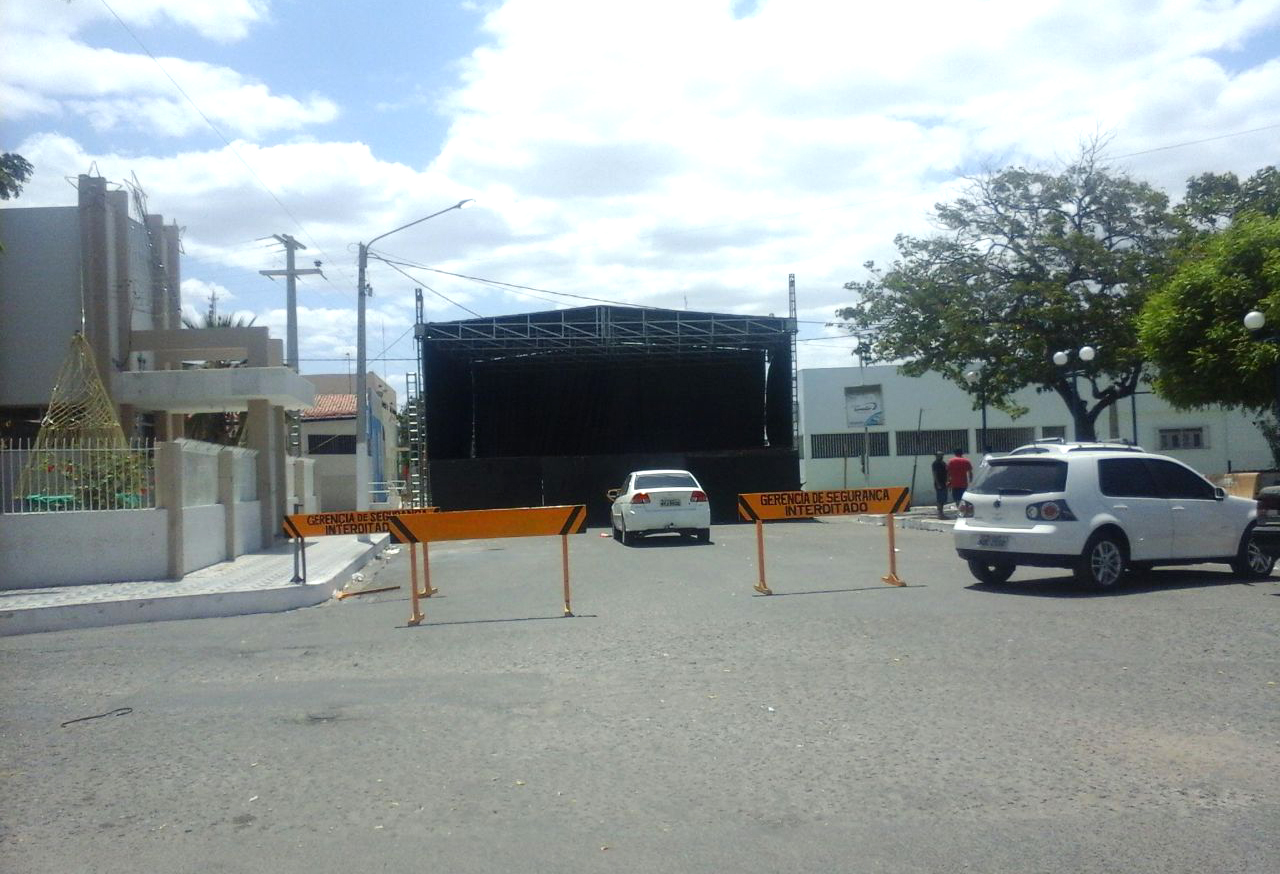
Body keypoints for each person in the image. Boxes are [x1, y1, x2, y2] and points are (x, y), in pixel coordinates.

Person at [931, 451, 948, 519]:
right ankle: (940, 514)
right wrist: (937, 483)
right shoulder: (935, 464)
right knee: (940, 499)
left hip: (944, 483)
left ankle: (941, 513)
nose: (941, 456)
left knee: (943, 499)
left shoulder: (943, 463)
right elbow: (934, 474)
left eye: (941, 455)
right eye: (939, 455)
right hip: (939, 483)